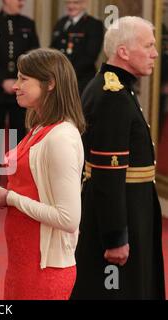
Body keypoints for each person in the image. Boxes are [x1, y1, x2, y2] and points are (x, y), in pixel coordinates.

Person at [0, 48, 85, 300]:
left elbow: (68, 218)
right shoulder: (39, 127)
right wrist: (5, 195)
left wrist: (10, 198)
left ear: (50, 84)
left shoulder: (61, 138)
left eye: (24, 79)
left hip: (45, 270)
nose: (15, 86)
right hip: (23, 262)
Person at [71, 17, 166, 300]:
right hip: (121, 212)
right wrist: (115, 238)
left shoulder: (117, 88)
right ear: (123, 52)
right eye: (148, 45)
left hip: (131, 207)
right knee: (115, 292)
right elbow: (107, 176)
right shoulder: (112, 95)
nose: (155, 53)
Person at [0, 0, 40, 182]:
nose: (22, 2)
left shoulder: (29, 24)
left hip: (21, 91)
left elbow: (34, 55)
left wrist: (19, 80)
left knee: (20, 136)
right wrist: (2, 80)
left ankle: (17, 176)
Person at [50, 0, 103, 95]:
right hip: (58, 81)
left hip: (80, 82)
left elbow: (90, 56)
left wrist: (66, 73)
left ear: (85, 3)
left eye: (76, 3)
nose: (71, 6)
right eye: (68, 2)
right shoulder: (61, 23)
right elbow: (52, 50)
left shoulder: (93, 24)